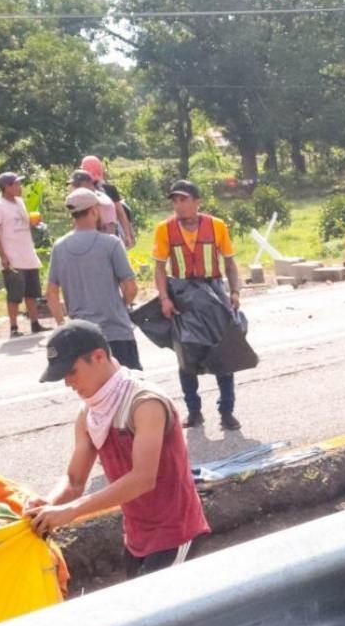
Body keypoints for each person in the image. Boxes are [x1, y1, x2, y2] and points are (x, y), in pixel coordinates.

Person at [29, 320, 209, 576]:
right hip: (136, 538)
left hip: (175, 533)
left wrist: (71, 510)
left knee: (158, 612)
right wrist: (49, 504)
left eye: (71, 372)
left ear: (99, 356)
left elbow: (142, 479)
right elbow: (75, 480)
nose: (68, 383)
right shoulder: (89, 413)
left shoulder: (144, 403)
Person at [152, 180, 242, 431]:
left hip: (213, 294)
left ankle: (227, 412)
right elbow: (159, 268)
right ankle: (194, 411)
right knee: (186, 356)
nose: (178, 205)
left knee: (223, 353)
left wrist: (234, 292)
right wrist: (164, 298)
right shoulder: (164, 229)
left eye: (183, 200)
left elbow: (230, 263)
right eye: (175, 201)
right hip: (182, 297)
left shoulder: (217, 226)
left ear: (197, 201)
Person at [47, 188, 144, 366]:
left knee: (96, 390)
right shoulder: (111, 244)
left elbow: (51, 293)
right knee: (129, 386)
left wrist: (62, 324)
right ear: (94, 211)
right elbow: (130, 287)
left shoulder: (59, 247)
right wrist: (120, 306)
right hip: (116, 331)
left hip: (81, 337)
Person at [0, 171, 45, 337]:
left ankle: (35, 323)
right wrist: (3, 255)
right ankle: (14, 327)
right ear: (7, 187)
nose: (20, 187)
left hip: (27, 252)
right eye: (17, 184)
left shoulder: (19, 202)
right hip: (12, 255)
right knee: (14, 294)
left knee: (32, 292)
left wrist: (33, 222)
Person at [81, 156, 136, 248]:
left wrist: (127, 234)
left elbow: (120, 213)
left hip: (94, 237)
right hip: (107, 236)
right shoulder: (108, 189)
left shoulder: (81, 192)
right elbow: (121, 214)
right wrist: (127, 235)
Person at [68, 168, 125, 243]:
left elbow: (109, 230)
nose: (73, 188)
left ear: (87, 184)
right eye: (74, 185)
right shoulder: (82, 200)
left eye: (77, 185)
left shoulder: (101, 201)